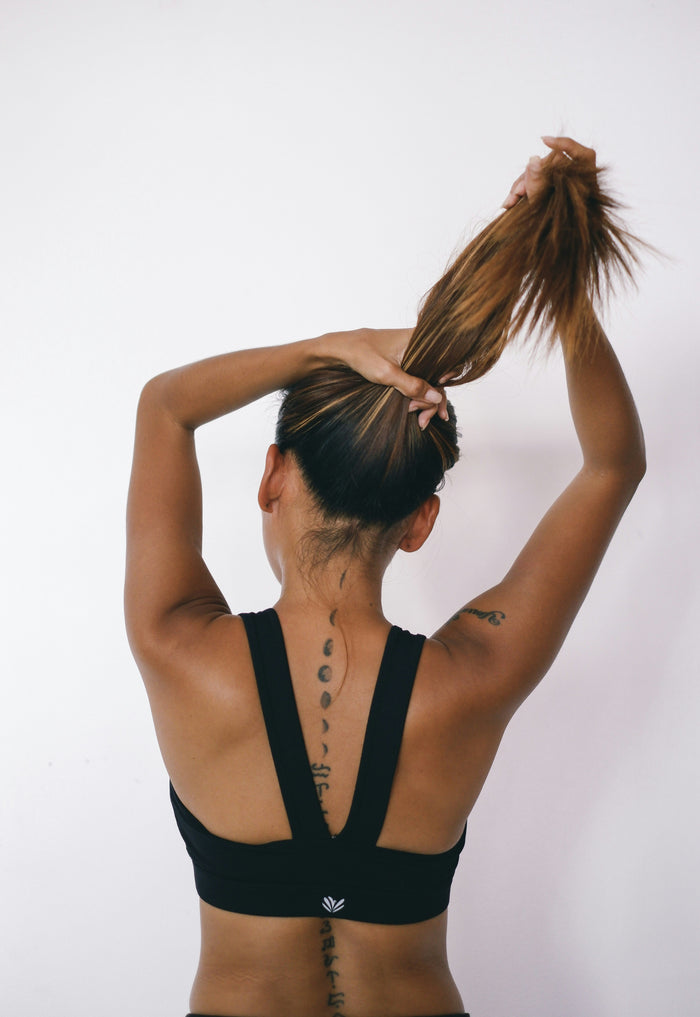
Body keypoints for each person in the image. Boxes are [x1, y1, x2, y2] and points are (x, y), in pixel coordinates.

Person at [124, 137, 646, 1017]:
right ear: (419, 523)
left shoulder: (178, 647)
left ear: (270, 475)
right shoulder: (473, 680)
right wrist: (563, 285)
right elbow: (613, 464)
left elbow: (165, 406)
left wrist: (331, 349)